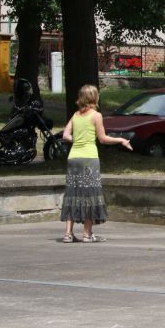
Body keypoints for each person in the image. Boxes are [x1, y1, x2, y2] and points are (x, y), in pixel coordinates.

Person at [61, 84, 132, 243]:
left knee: (72, 193)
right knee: (89, 194)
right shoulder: (96, 115)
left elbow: (65, 135)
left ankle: (68, 234)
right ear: (94, 98)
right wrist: (121, 140)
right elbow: (103, 139)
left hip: (73, 158)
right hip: (89, 159)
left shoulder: (75, 115)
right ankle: (87, 234)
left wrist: (77, 139)